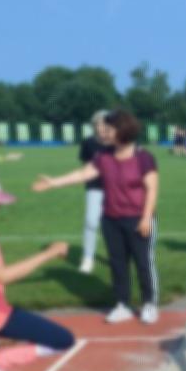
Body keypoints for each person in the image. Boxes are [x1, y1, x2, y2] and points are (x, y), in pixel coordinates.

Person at [33, 109, 160, 324]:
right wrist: (53, 182)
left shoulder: (143, 158)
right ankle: (122, 304)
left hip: (138, 219)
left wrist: (146, 217)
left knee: (143, 262)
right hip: (111, 219)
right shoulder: (103, 157)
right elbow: (83, 174)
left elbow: (152, 188)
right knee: (117, 263)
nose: (103, 132)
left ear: (122, 130)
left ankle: (149, 303)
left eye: (108, 128)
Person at [0, 173, 75, 371]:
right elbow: (3, 275)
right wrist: (48, 253)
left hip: (1, 314)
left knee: (61, 339)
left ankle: (0, 362)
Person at [79, 110, 112, 274]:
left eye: (104, 123)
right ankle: (88, 257)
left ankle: (116, 257)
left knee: (112, 225)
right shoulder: (88, 143)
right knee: (91, 221)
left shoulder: (115, 142)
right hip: (94, 187)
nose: (100, 127)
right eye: (97, 124)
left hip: (114, 188)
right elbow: (85, 166)